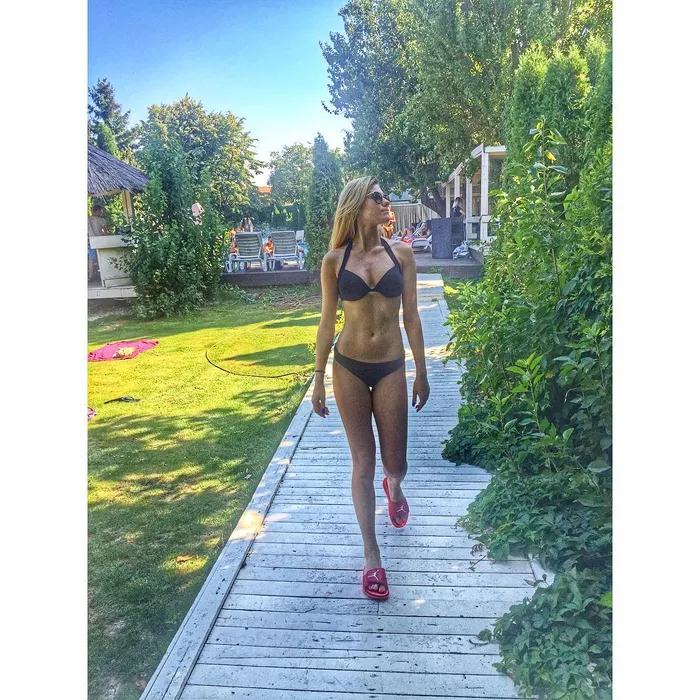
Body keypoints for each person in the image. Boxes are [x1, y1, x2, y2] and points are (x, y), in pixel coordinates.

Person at [312, 176, 430, 600]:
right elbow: (327, 322)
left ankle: (393, 487)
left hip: (390, 367)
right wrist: (318, 377)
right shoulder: (334, 261)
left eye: (385, 196)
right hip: (348, 366)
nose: (385, 202)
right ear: (357, 205)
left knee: (395, 464)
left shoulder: (401, 254)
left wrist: (421, 370)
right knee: (363, 461)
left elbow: (411, 317)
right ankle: (372, 556)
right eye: (377, 197)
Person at [87, 204, 109, 281]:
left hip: (90, 241)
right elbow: (105, 231)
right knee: (102, 257)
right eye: (100, 212)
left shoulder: (87, 219)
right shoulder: (101, 220)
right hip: (100, 241)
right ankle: (104, 275)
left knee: (91, 259)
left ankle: (90, 276)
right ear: (97, 211)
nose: (101, 213)